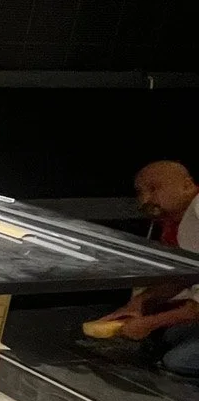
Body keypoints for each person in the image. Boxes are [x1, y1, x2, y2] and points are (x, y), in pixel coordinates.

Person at [82, 159, 199, 379]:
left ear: (187, 185)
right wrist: (138, 305)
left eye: (154, 189)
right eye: (141, 193)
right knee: (172, 336)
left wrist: (148, 323)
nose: (145, 200)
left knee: (177, 361)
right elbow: (185, 278)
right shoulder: (184, 223)